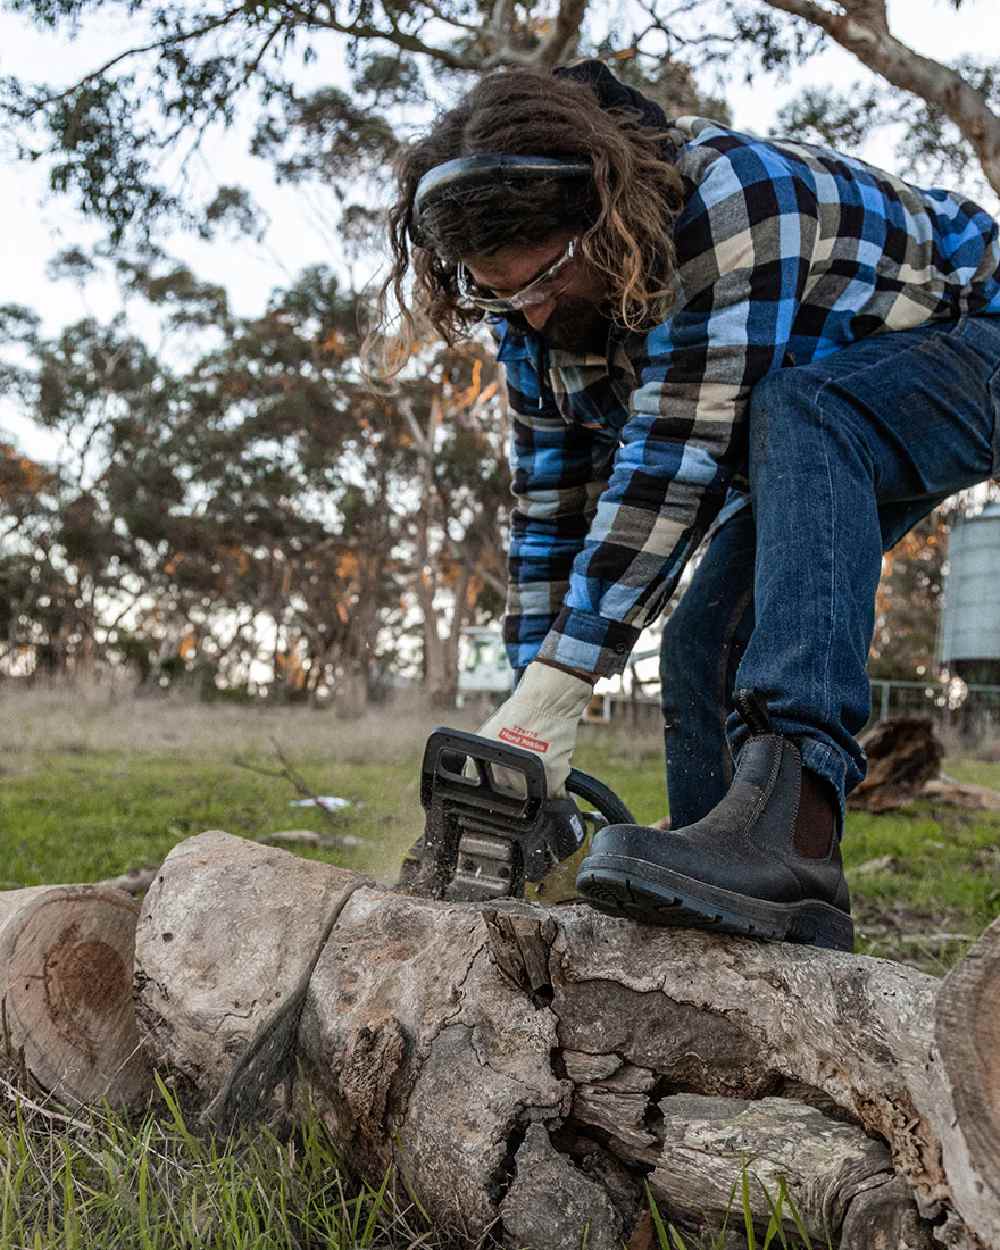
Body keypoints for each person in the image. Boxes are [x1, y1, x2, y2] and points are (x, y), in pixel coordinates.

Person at [379, 60, 1000, 950]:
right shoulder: (531, 325)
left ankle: (795, 835)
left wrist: (565, 684)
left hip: (979, 335)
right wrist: (524, 724)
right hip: (832, 415)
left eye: (545, 275)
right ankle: (736, 901)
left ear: (605, 212)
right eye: (497, 290)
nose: (531, 310)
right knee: (705, 640)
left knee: (806, 410)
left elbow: (676, 463)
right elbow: (551, 512)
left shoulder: (734, 205)